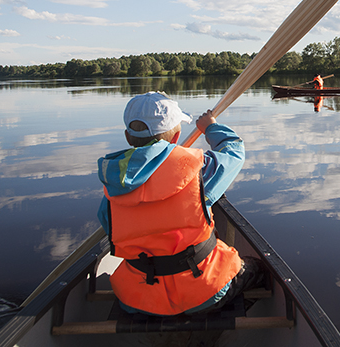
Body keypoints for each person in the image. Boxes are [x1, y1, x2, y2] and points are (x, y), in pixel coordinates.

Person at [96, 91, 263, 316]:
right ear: (176, 137)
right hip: (204, 290)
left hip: (137, 298)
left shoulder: (114, 184)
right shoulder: (199, 170)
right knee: (258, 269)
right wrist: (210, 126)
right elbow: (234, 151)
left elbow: (110, 228)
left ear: (128, 136)